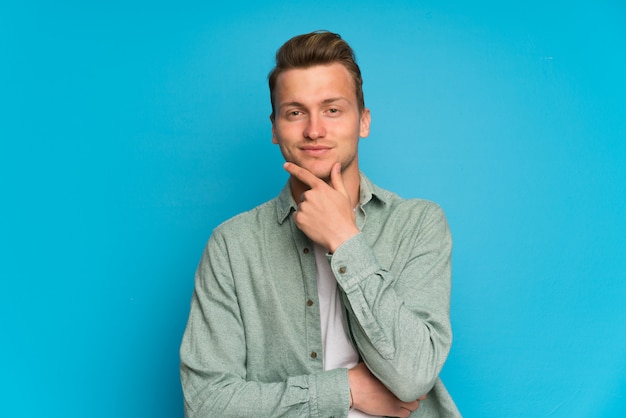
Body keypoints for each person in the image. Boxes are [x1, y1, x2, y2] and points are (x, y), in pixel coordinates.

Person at [180, 30, 460, 417]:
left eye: (332, 109)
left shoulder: (418, 224)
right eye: (295, 112)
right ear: (275, 128)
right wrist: (342, 390)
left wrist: (345, 239)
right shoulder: (233, 244)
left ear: (363, 121)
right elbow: (206, 404)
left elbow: (414, 376)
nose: (314, 130)